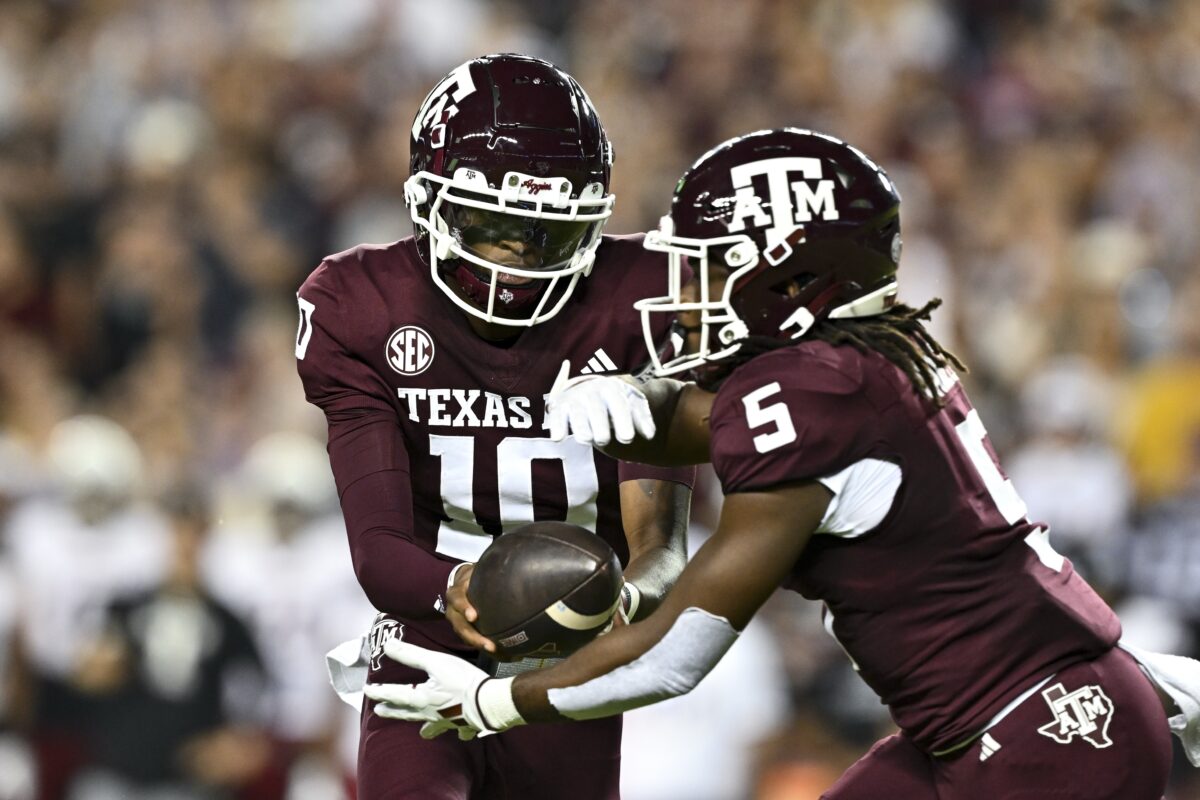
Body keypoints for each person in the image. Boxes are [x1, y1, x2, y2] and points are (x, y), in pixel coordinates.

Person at [362, 128, 1200, 799]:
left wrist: (493, 703)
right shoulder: (856, 362)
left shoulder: (812, 395)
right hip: (999, 715)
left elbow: (675, 654)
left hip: (1044, 734)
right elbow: (711, 422)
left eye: (716, 260)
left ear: (788, 272)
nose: (688, 285)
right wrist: (638, 403)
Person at [295, 53, 694, 799]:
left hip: (578, 651)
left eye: (544, 235)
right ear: (431, 205)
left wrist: (607, 599)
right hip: (429, 626)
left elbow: (660, 553)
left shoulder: (642, 300)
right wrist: (462, 587)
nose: (518, 261)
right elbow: (379, 550)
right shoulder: (364, 304)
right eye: (494, 228)